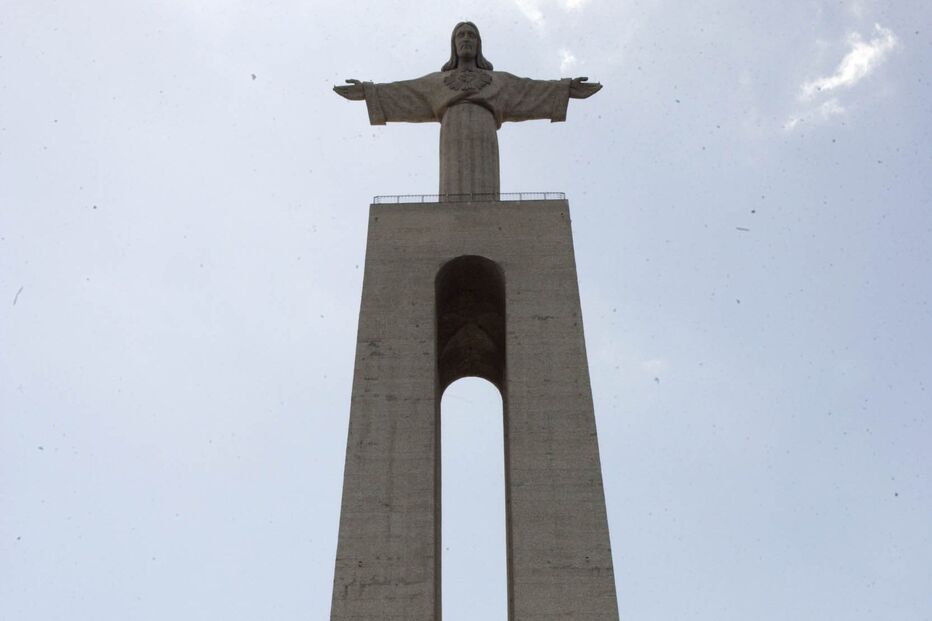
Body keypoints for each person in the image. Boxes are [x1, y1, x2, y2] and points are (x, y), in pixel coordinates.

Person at [334, 22, 602, 198]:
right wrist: (368, 92)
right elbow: (403, 91)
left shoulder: (499, 81)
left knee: (484, 197)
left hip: (485, 130)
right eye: (461, 35)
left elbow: (530, 89)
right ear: (453, 44)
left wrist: (565, 89)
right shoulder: (436, 82)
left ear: (478, 44)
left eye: (471, 35)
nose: (466, 39)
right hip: (452, 130)